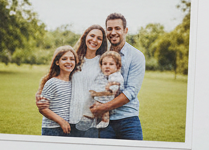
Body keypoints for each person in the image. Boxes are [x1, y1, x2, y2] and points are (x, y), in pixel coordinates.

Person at [90, 12, 146, 140]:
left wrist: (102, 108)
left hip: (128, 119)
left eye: (117, 28)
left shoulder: (136, 56)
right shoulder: (101, 54)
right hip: (103, 122)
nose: (113, 32)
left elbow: (131, 92)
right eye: (109, 29)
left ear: (125, 30)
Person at [36, 46, 77, 136]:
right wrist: (61, 121)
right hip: (52, 129)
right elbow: (43, 108)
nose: (69, 62)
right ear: (57, 62)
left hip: (69, 128)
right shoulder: (52, 83)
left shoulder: (75, 83)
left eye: (72, 59)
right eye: (64, 59)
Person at [88, 51, 125, 129]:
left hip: (110, 99)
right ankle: (92, 121)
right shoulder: (103, 75)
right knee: (94, 107)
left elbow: (116, 86)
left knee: (104, 110)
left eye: (111, 64)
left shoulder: (116, 76)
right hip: (101, 97)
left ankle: (105, 121)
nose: (107, 66)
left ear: (117, 66)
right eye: (104, 64)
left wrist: (110, 87)